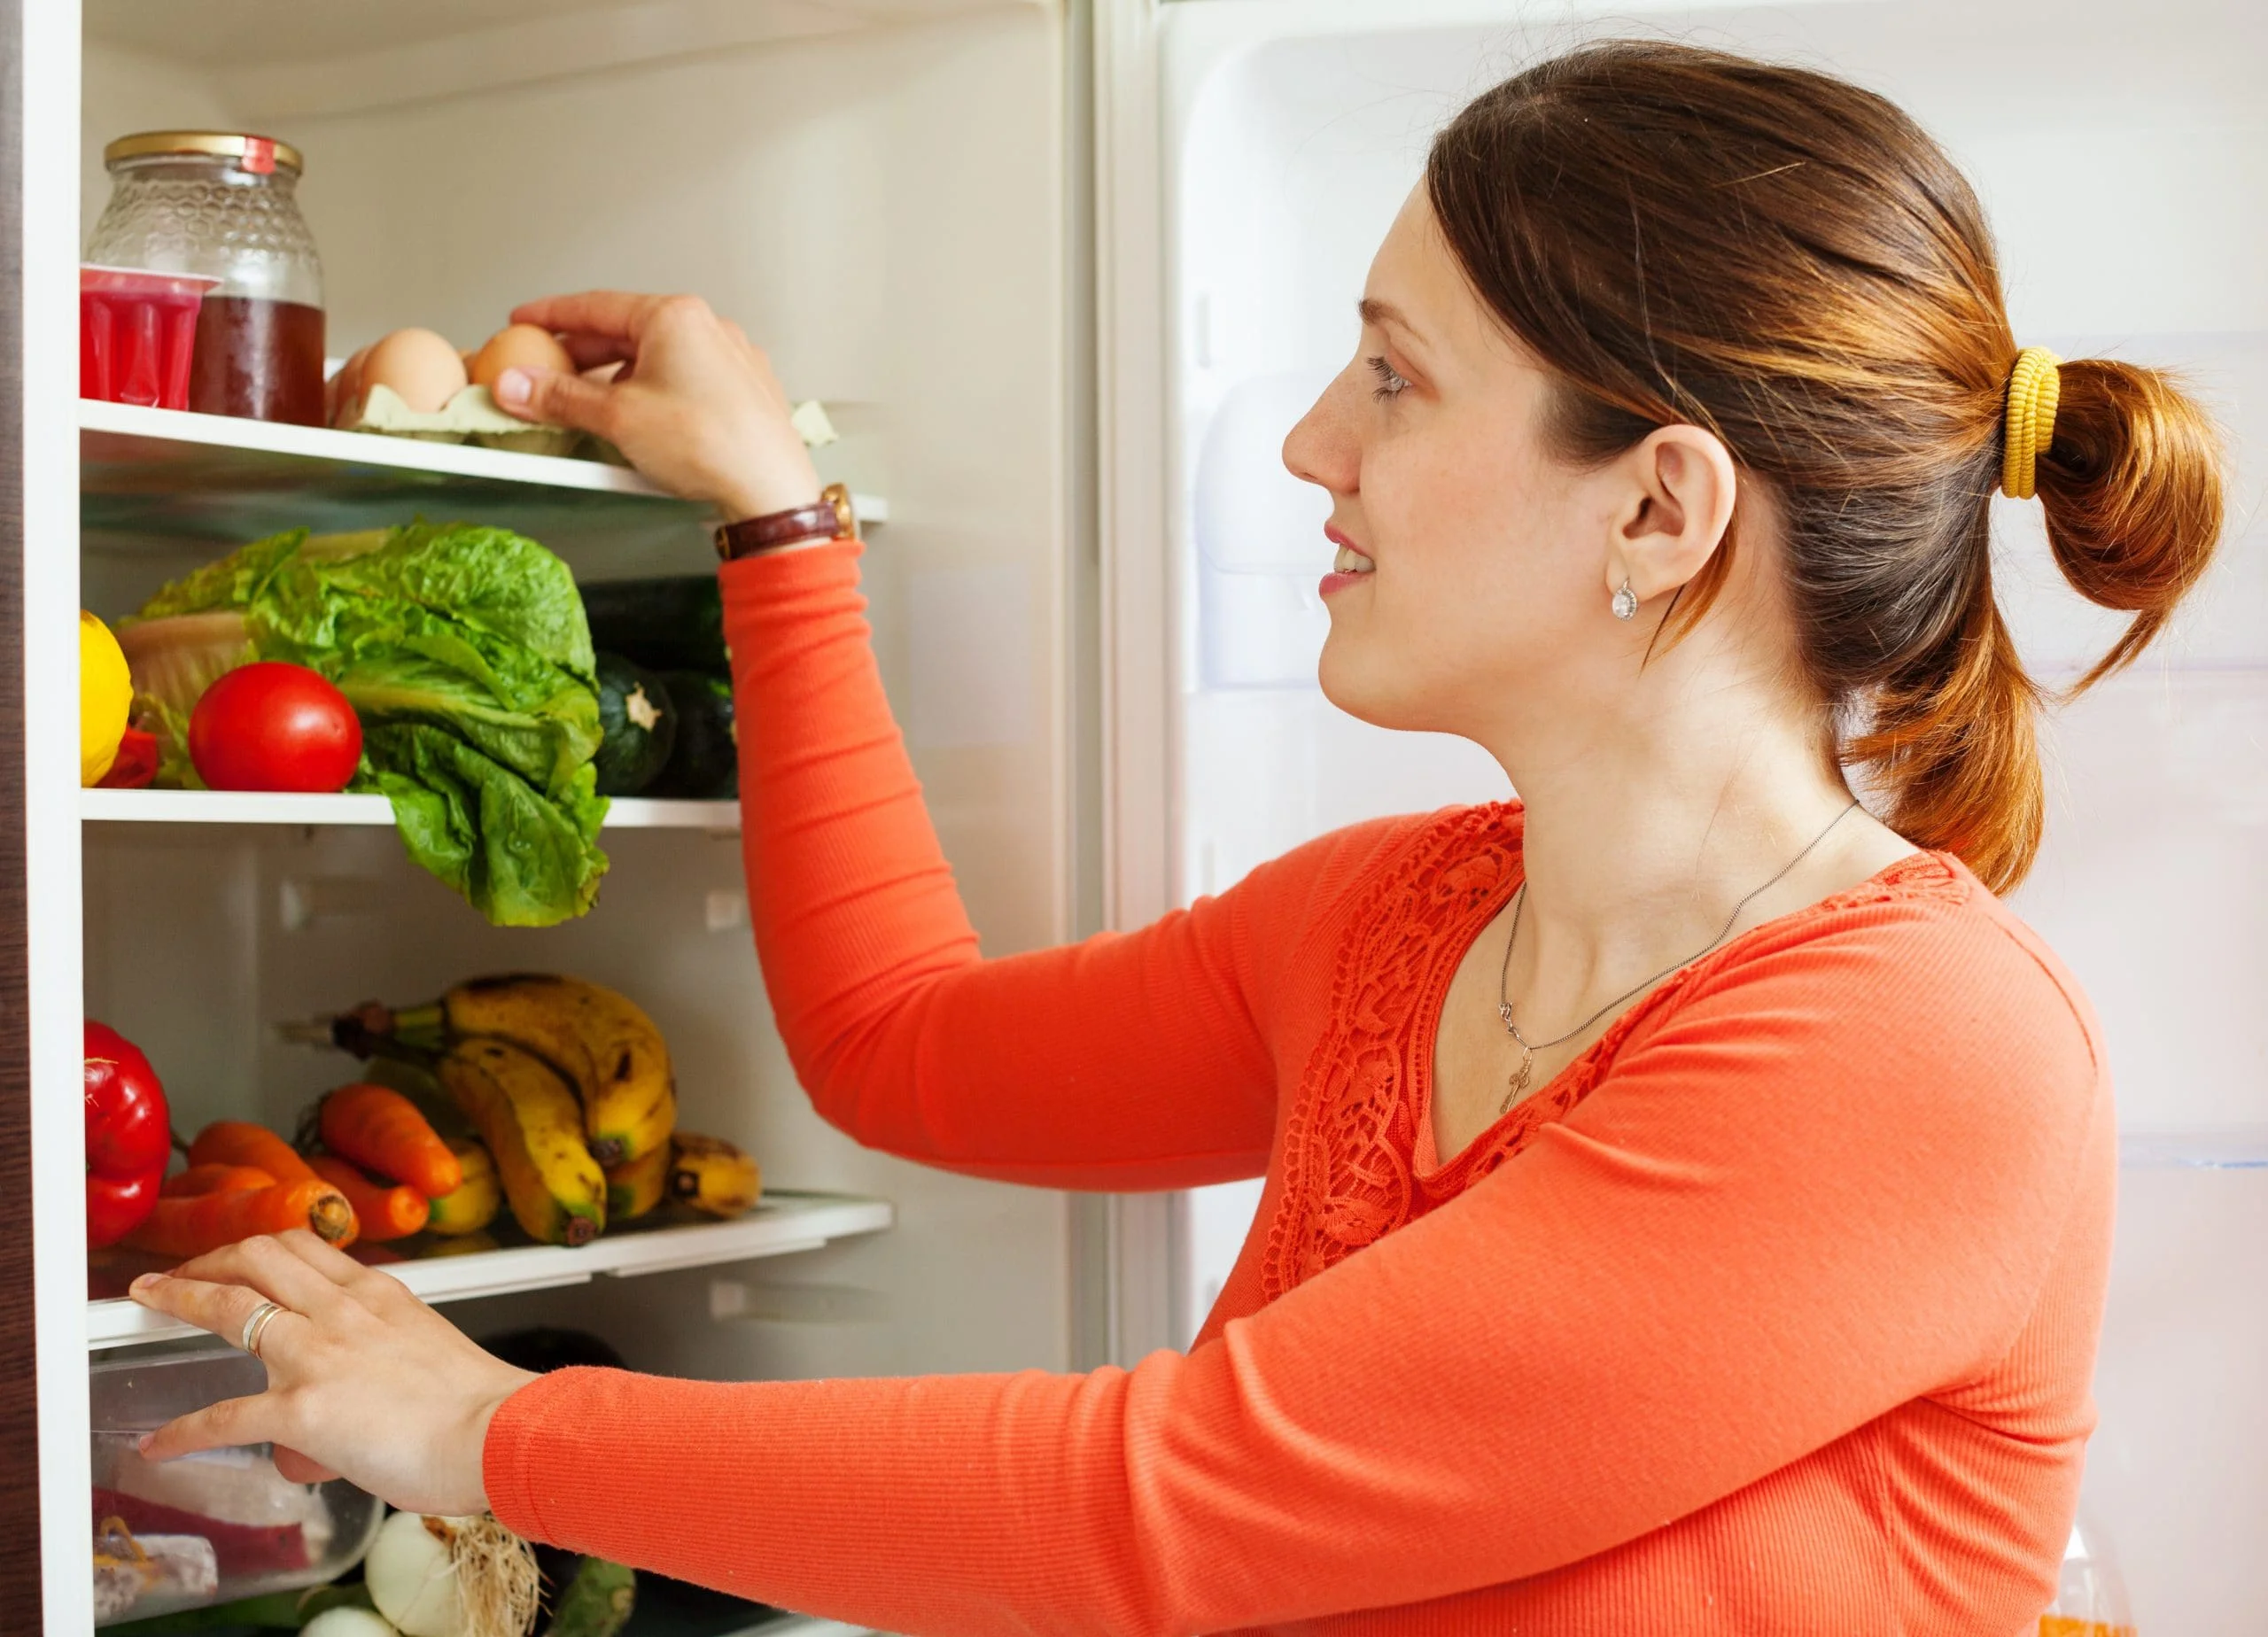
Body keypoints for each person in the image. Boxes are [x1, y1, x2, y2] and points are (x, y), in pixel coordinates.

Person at [131, 40, 2225, 1635]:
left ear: (1656, 510)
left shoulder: (1910, 1054)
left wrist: (489, 1428)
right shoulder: (1398, 919)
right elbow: (900, 1041)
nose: (1311, 440)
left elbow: (1178, 1501)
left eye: (1391, 381)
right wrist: (776, 515)